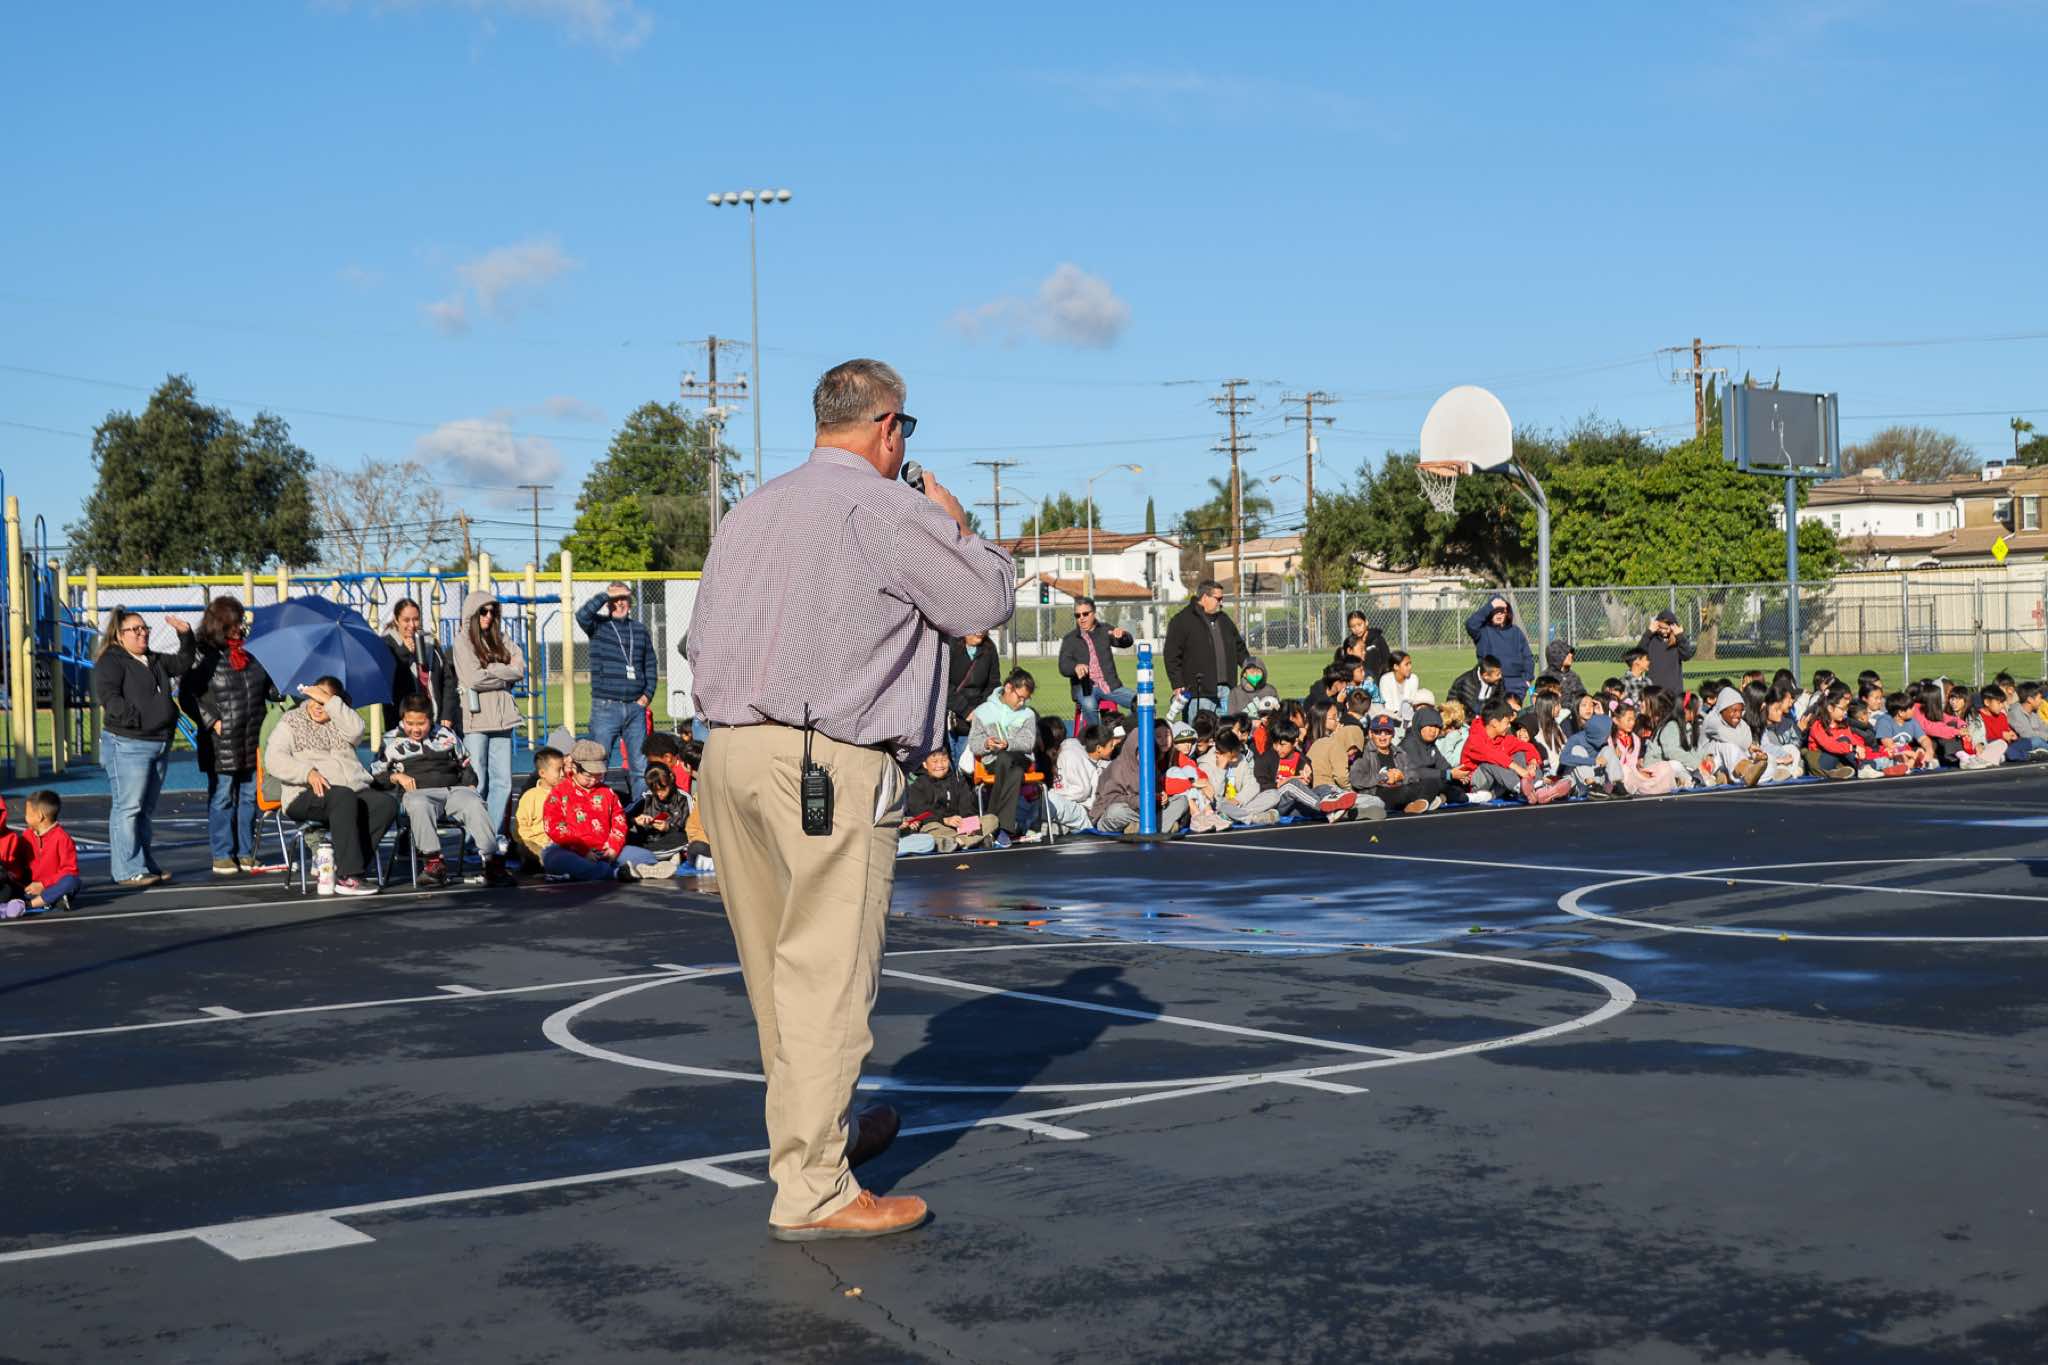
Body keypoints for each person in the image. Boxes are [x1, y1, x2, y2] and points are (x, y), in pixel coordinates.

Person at [686, 357, 1014, 1242]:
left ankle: (817, 1139)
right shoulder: (890, 508)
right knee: (827, 978)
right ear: (888, 427)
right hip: (824, 761)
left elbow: (699, 641)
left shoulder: (750, 511)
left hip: (729, 752)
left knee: (777, 975)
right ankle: (815, 1187)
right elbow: (984, 599)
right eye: (905, 428)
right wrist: (957, 526)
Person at [265, 678, 399, 896]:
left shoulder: (341, 721)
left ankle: (342, 863)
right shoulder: (291, 721)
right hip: (305, 794)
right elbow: (273, 759)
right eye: (314, 699)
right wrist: (307, 773)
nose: (318, 706)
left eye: (323, 701)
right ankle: (350, 876)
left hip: (349, 792)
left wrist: (331, 703)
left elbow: (357, 730)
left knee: (385, 804)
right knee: (342, 797)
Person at [93, 607, 195, 887]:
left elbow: (183, 662)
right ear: (119, 635)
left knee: (144, 810)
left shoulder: (154, 659)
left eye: (144, 628)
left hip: (158, 742)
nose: (142, 633)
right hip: (128, 743)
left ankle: (144, 864)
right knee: (128, 808)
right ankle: (128, 869)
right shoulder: (111, 661)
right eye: (135, 629)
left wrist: (186, 635)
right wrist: (137, 719)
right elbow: (110, 698)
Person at [181, 595, 280, 876]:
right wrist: (212, 721)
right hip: (221, 741)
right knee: (223, 796)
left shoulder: (252, 652)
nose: (240, 627)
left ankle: (246, 852)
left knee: (249, 796)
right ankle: (223, 854)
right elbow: (188, 696)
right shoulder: (201, 654)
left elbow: (268, 689)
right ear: (220, 624)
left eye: (240, 622)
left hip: (252, 734)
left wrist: (282, 680)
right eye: (235, 622)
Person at [376, 694, 512, 887]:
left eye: (421, 723)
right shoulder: (391, 740)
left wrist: (470, 784)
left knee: (474, 801)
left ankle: (491, 861)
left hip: (452, 790)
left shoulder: (446, 734)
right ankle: (433, 863)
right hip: (418, 794)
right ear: (402, 719)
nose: (415, 729)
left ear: (430, 720)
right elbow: (375, 776)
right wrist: (396, 776)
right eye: (410, 723)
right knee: (418, 802)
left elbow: (465, 764)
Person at [454, 588, 526, 850]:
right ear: (472, 613)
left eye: (492, 611)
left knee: (503, 782)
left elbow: (520, 668)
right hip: (476, 720)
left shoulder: (502, 638)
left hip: (504, 719)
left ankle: (492, 836)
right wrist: (504, 673)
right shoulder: (463, 641)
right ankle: (473, 837)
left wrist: (492, 670)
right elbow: (473, 679)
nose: (488, 616)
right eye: (483, 611)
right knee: (478, 781)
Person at [578, 582, 659, 803]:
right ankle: (597, 810)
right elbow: (582, 615)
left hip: (635, 707)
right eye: (615, 599)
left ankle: (640, 811)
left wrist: (647, 695)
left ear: (630, 603)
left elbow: (650, 664)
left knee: (639, 765)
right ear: (608, 603)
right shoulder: (598, 625)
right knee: (597, 762)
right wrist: (606, 594)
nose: (620, 603)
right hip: (606, 707)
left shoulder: (640, 630)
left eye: (624, 599)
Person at [542, 738, 644, 879]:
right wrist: (583, 851)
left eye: (599, 775)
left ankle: (616, 870)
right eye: (589, 776)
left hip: (606, 849)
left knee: (646, 856)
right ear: (574, 768)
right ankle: (617, 872)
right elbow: (555, 827)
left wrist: (614, 848)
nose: (594, 780)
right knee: (557, 860)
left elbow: (619, 822)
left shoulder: (608, 792)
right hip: (571, 851)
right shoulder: (559, 792)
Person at [967, 668, 1041, 846]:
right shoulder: (983, 711)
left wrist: (1008, 744)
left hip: (1020, 758)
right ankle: (1004, 829)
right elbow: (974, 744)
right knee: (1012, 770)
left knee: (1006, 758)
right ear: (1008, 688)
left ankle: (990, 822)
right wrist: (986, 743)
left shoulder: (1028, 714)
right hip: (994, 761)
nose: (1022, 702)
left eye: (1025, 699)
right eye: (1020, 697)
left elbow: (1028, 743)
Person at [1163, 580, 1246, 720]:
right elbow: (1171, 655)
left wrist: (1249, 666)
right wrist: (1177, 684)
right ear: (1205, 597)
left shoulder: (1224, 620)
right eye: (1218, 598)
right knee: (1200, 731)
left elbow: (1239, 648)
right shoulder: (1182, 620)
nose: (1221, 603)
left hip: (1227, 690)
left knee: (1226, 730)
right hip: (1199, 692)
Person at [385, 597, 461, 733]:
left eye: (415, 619)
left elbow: (448, 680)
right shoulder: (388, 644)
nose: (412, 625)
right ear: (396, 620)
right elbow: (391, 681)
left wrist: (447, 714)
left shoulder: (429, 643)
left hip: (433, 719)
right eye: (406, 620)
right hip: (403, 723)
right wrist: (404, 652)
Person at [1058, 597, 1136, 715]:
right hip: (1085, 689)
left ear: (1094, 613)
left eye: (1085, 614)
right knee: (1089, 705)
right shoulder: (1070, 639)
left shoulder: (1105, 629)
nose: (1081, 618)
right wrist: (1075, 667)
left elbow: (1127, 642)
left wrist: (1123, 636)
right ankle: (1094, 728)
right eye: (1078, 615)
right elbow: (1063, 665)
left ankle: (1126, 726)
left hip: (1111, 686)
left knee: (1142, 702)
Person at [901, 748, 987, 852]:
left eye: (944, 760)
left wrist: (967, 823)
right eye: (935, 761)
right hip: (936, 824)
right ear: (925, 764)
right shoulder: (918, 785)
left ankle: (958, 842)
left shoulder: (958, 781)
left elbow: (967, 806)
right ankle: (972, 840)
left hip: (959, 826)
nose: (940, 765)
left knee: (991, 819)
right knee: (932, 828)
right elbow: (921, 812)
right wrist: (945, 820)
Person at [1348, 715, 1437, 814]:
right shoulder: (1363, 753)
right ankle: (1427, 799)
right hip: (1378, 794)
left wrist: (1402, 776)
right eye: (1378, 732)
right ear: (1370, 733)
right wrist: (1385, 777)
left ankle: (1416, 804)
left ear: (1393, 734)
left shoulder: (1399, 752)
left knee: (1432, 781)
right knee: (1405, 792)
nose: (1383, 737)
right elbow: (1356, 780)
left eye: (1387, 733)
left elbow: (1415, 773)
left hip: (1401, 787)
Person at [943, 631, 1000, 765]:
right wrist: (965, 710)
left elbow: (993, 683)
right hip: (950, 713)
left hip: (976, 717)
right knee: (948, 760)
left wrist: (982, 710)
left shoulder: (989, 648)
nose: (980, 632)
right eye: (976, 627)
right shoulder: (949, 645)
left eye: (984, 628)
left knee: (967, 762)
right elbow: (942, 683)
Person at [1465, 596, 1534, 702]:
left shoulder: (1516, 632)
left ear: (1507, 613)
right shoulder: (1482, 631)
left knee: (1513, 712)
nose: (1499, 614)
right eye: (1495, 611)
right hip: (1492, 683)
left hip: (1516, 684)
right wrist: (1490, 606)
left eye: (1502, 611)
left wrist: (1526, 680)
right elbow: (1470, 624)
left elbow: (1527, 657)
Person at [514, 746, 564, 873]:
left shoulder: (566, 794)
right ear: (542, 773)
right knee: (530, 849)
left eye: (563, 769)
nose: (563, 774)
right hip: (536, 843)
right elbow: (520, 829)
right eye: (559, 770)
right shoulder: (530, 796)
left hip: (561, 843)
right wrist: (538, 844)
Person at [1634, 610, 1697, 695]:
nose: (1663, 631)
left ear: (1673, 627)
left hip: (1673, 691)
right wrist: (1648, 633)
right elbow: (1638, 653)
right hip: (1653, 690)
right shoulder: (1651, 639)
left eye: (1666, 628)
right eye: (1660, 628)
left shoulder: (1677, 641)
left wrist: (1680, 636)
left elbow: (1687, 655)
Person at [1333, 609, 1392, 680]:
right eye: (1353, 626)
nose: (1357, 629)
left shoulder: (1377, 640)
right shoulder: (1350, 643)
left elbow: (1387, 661)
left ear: (1366, 622)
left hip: (1377, 679)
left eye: (1359, 624)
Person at [1377, 651, 1425, 721]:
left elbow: (1411, 703)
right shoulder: (1385, 680)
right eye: (1406, 664)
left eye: (1410, 664)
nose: (1410, 667)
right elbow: (1388, 707)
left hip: (1409, 718)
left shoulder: (1413, 678)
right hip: (1390, 718)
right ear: (1396, 667)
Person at [1545, 641, 1586, 715]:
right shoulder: (1546, 677)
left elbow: (1582, 695)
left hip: (1575, 713)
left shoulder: (1574, 676)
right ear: (1556, 656)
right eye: (1566, 654)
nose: (1571, 656)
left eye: (1571, 653)